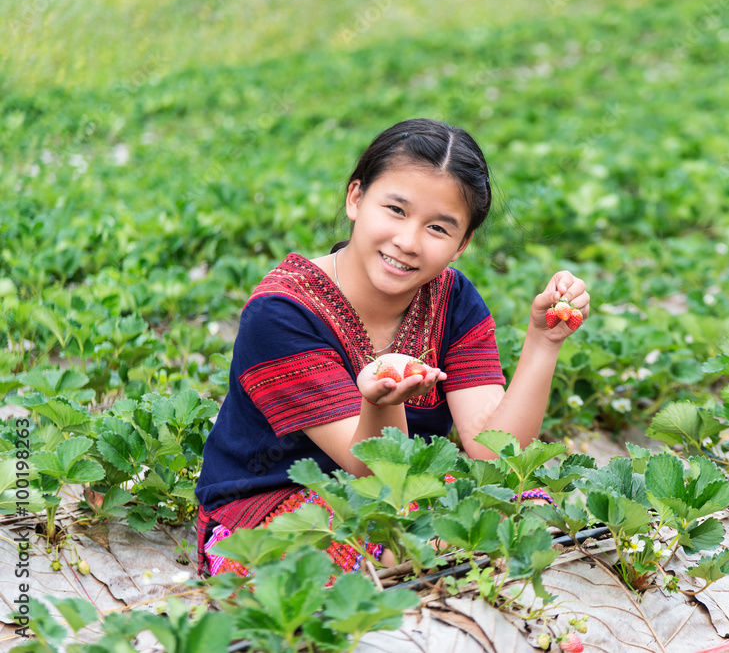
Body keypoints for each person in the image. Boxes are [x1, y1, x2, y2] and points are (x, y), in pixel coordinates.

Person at [194, 118, 589, 579]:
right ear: (356, 198)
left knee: (528, 505)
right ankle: (438, 548)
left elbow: (494, 454)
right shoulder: (282, 312)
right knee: (367, 550)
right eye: (396, 210)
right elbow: (370, 469)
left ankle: (432, 547)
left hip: (401, 497)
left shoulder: (453, 299)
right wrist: (378, 403)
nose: (408, 241)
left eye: (439, 228)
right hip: (278, 504)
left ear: (463, 245)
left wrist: (543, 340)